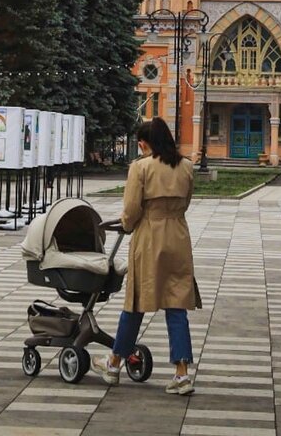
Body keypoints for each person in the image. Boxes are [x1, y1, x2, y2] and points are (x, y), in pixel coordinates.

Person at [92, 117, 200, 395]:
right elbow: (186, 201)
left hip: (149, 237)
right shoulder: (186, 166)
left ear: (144, 143)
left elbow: (130, 211)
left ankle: (114, 363)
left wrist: (127, 225)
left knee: (136, 302)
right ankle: (182, 373)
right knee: (177, 306)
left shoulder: (140, 167)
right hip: (178, 236)